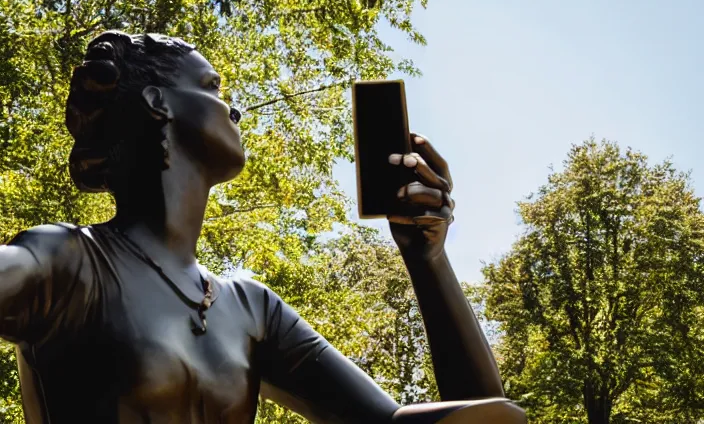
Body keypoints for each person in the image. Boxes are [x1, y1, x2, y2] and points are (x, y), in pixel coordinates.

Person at [0, 31, 518, 423]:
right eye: (212, 88)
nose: (235, 108)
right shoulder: (66, 264)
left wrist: (427, 260)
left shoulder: (251, 309)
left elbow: (474, 418)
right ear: (158, 103)